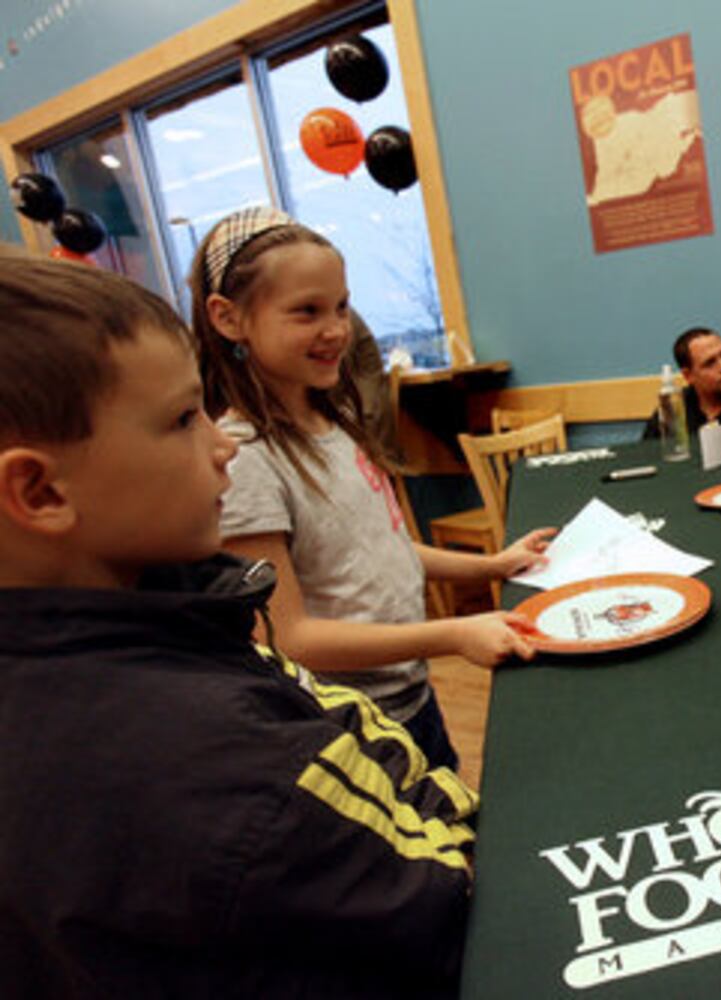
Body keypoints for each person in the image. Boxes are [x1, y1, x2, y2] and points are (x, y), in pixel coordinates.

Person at [0, 252, 476, 996]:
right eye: (183, 420)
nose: (221, 445)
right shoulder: (222, 768)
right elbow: (447, 905)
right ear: (39, 489)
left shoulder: (184, 611)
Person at [191, 206, 553, 771]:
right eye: (307, 311)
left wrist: (492, 567)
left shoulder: (332, 425)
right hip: (354, 730)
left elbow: (383, 551)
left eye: (340, 306)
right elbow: (291, 636)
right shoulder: (247, 459)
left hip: (412, 702)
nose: (336, 329)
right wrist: (451, 634)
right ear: (228, 318)